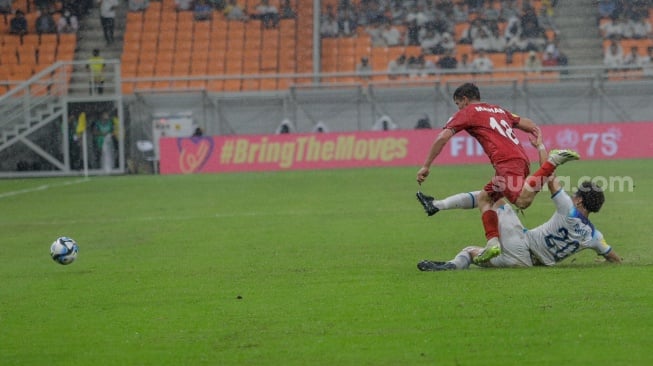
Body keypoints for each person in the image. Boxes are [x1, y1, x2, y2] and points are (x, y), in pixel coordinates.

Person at [415, 83, 579, 263]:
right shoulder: (498, 110)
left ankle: (552, 161)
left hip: (506, 163)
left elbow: (443, 137)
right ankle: (492, 243)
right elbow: (529, 124)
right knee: (485, 197)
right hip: (520, 160)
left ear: (465, 99)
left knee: (522, 202)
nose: (459, 108)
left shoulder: (468, 112)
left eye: (458, 104)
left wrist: (426, 165)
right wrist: (537, 139)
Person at [417, 136, 621, 271]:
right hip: (523, 263)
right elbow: (614, 257)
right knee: (470, 251)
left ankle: (440, 206)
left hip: (521, 245)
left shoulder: (568, 209)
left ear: (579, 199)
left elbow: (549, 175)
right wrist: (604, 260)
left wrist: (540, 146)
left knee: (491, 196)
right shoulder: (595, 236)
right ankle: (450, 266)